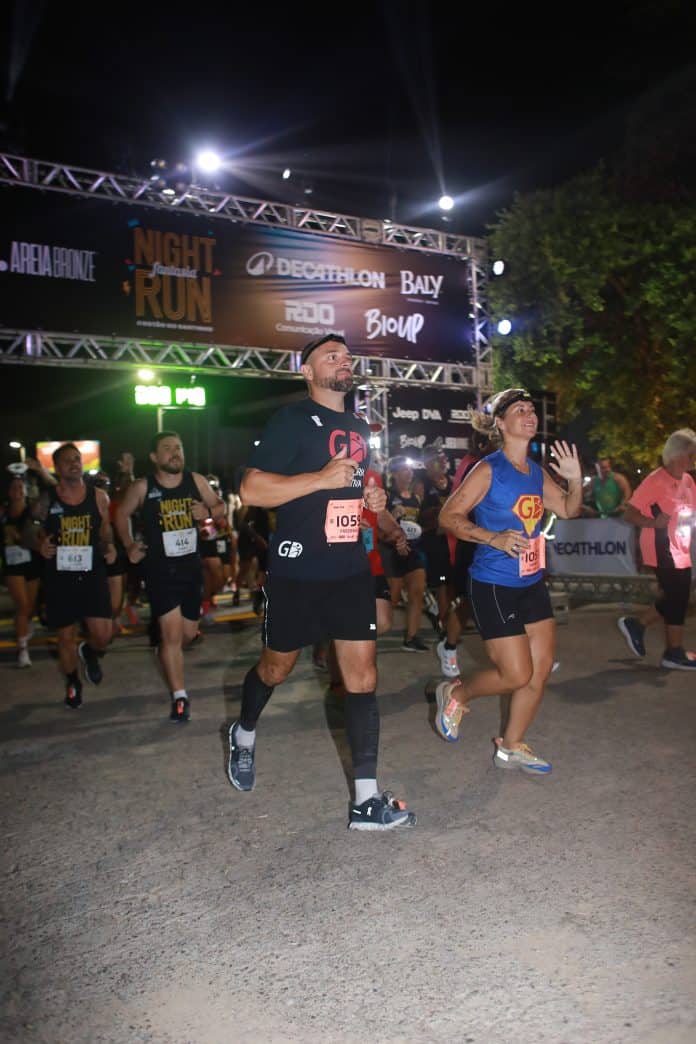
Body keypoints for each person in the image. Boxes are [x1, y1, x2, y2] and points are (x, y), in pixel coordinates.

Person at [229, 332, 416, 830]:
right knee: (276, 668)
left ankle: (366, 802)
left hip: (349, 568)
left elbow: (352, 488)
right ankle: (244, 731)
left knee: (363, 678)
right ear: (308, 372)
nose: (343, 361)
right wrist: (319, 479)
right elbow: (252, 489)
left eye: (347, 356)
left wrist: (372, 501)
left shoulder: (358, 427)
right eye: (331, 356)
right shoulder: (290, 420)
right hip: (297, 570)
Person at [434, 388, 582, 774]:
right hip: (494, 584)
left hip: (531, 582)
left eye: (532, 409)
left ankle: (512, 745)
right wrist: (493, 538)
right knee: (516, 675)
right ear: (500, 423)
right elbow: (448, 517)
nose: (530, 415)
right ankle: (457, 692)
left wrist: (575, 480)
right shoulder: (488, 469)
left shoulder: (535, 472)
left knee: (540, 669)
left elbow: (568, 509)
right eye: (520, 410)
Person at [115, 431, 226, 721]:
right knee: (172, 635)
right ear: (154, 457)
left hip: (190, 568)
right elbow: (120, 514)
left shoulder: (195, 481)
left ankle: (165, 651)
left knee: (187, 634)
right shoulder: (143, 487)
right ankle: (180, 697)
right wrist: (129, 545)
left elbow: (220, 506)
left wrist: (207, 510)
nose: (175, 452)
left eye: (178, 447)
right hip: (159, 570)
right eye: (167, 448)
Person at [35, 443, 116, 708]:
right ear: (56, 468)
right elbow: (29, 529)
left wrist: (110, 546)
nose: (74, 463)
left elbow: (105, 530)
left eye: (77, 459)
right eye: (67, 460)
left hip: (92, 574)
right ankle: (72, 682)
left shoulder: (99, 497)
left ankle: (89, 651)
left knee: (103, 636)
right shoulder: (47, 499)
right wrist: (39, 543)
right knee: (65, 636)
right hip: (60, 577)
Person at [617, 428, 696, 670]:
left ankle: (637, 625)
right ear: (678, 454)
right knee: (677, 595)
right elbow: (629, 514)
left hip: (682, 546)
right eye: (691, 454)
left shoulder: (688, 481)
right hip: (660, 546)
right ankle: (673, 652)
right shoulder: (655, 481)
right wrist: (653, 522)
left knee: (677, 595)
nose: (694, 459)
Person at [384, 455, 429, 651]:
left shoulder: (416, 498)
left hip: (413, 550)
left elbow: (419, 524)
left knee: (417, 591)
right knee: (392, 599)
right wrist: (393, 516)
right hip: (391, 550)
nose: (409, 473)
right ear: (394, 473)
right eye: (404, 469)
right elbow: (378, 524)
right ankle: (368, 633)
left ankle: (411, 637)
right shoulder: (386, 495)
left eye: (410, 470)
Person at [1, 470, 43, 667]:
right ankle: (23, 650)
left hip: (32, 562)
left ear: (26, 491)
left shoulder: (33, 512)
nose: (17, 490)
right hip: (12, 564)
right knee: (22, 605)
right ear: (8, 491)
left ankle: (25, 624)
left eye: (21, 487)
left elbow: (40, 535)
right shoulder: (3, 513)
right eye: (14, 487)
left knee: (30, 607)